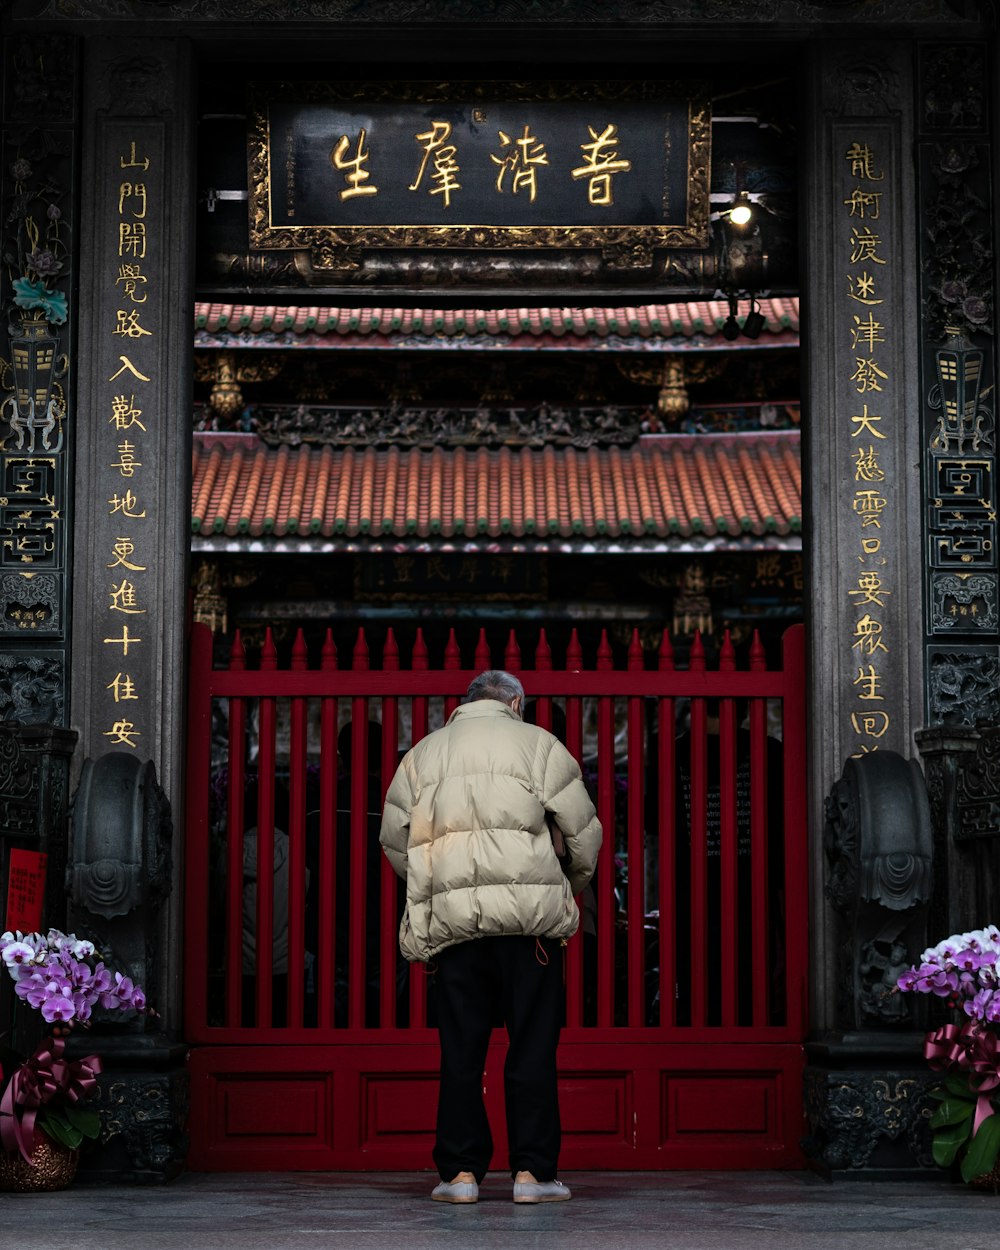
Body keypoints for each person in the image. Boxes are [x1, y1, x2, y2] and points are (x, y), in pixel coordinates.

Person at [379, 669, 602, 1205]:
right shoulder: (541, 746)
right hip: (531, 930)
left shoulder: (422, 756)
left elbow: (394, 840)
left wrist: (439, 890)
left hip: (456, 930)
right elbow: (584, 834)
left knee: (460, 1050)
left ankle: (459, 1175)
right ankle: (532, 1175)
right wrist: (562, 884)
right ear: (516, 702)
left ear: (466, 704)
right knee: (532, 1047)